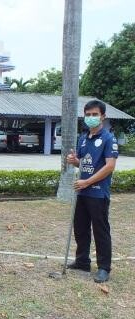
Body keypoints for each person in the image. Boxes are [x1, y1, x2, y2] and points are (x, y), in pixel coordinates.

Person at [66, 100, 118, 283]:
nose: (91, 118)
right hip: (82, 192)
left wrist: (87, 182)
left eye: (94, 114)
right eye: (88, 115)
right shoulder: (84, 138)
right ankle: (82, 261)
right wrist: (74, 161)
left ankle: (104, 268)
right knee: (80, 228)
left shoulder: (108, 138)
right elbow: (83, 162)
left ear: (103, 116)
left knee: (100, 230)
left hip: (97, 192)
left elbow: (109, 166)